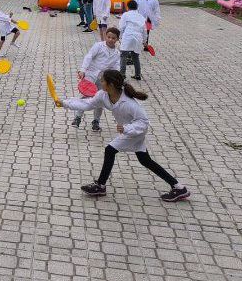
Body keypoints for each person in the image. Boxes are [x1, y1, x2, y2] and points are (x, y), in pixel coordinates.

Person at [61, 69, 191, 202]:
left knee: (110, 150)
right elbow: (87, 104)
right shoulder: (103, 95)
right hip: (129, 130)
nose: (100, 83)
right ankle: (178, 187)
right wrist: (64, 103)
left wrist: (127, 128)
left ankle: (100, 185)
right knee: (145, 160)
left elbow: (144, 122)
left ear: (110, 84)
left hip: (135, 131)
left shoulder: (129, 103)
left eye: (102, 81)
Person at [72, 27, 121, 131]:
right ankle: (77, 118)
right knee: (84, 96)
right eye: (108, 37)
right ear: (105, 36)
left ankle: (96, 121)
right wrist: (83, 70)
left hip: (104, 80)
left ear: (117, 39)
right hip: (91, 75)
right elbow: (88, 56)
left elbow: (116, 67)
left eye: (113, 38)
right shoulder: (98, 46)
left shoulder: (117, 53)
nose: (110, 39)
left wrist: (117, 79)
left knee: (100, 100)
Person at [118, 0, 146, 80]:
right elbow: (144, 30)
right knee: (135, 57)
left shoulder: (125, 15)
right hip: (138, 38)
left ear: (128, 7)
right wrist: (144, 41)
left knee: (123, 55)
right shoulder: (141, 17)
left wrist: (119, 37)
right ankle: (137, 75)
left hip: (128, 36)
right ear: (137, 7)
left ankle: (122, 74)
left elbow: (121, 27)